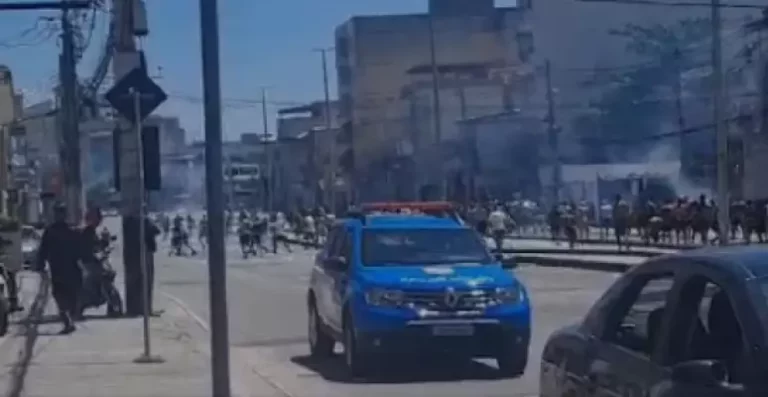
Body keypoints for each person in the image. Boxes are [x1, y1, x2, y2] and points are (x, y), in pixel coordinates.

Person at [36, 203, 82, 334]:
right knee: (61, 296)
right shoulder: (52, 231)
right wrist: (40, 265)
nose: (59, 216)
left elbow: (81, 249)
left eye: (61, 213)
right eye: (58, 213)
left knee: (68, 296)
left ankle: (69, 319)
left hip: (69, 269)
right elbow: (43, 251)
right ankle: (68, 320)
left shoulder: (71, 231)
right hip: (60, 270)